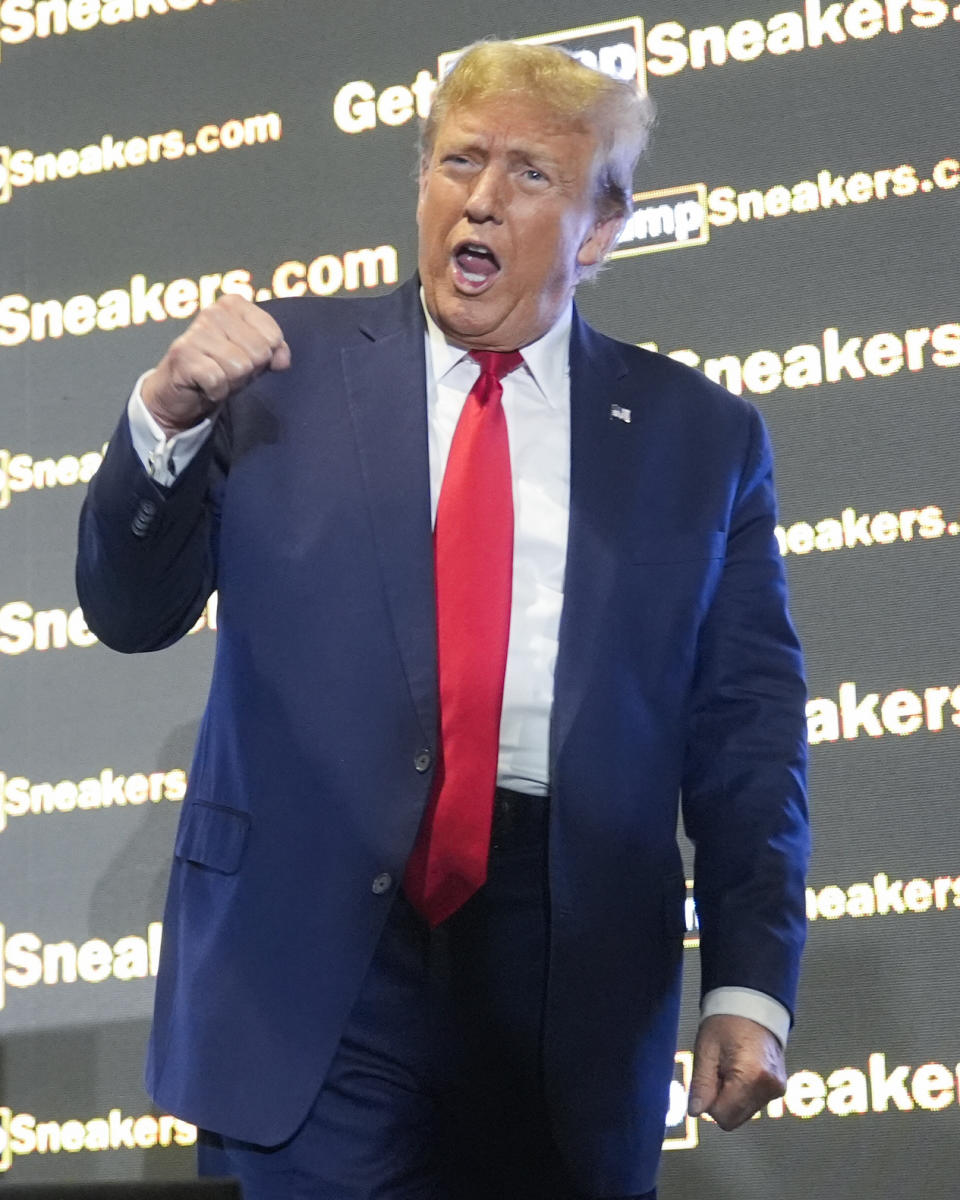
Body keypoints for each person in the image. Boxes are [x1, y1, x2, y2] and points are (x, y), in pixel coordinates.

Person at [76, 40, 810, 1200]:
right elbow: (127, 610)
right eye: (457, 161)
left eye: (529, 174)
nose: (479, 196)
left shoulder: (700, 438)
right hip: (315, 954)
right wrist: (161, 419)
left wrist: (749, 982)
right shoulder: (278, 370)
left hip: (567, 955)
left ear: (602, 227)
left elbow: (747, 733)